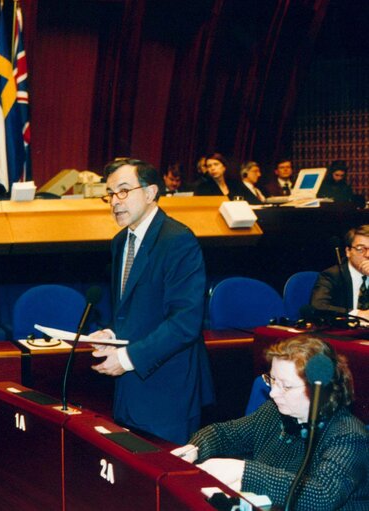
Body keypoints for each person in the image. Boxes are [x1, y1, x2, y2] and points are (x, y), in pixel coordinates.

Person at [90, 158, 214, 444]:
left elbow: (186, 322)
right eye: (109, 194)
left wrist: (126, 358)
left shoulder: (178, 240)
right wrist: (111, 334)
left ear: (150, 193)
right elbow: (131, 310)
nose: (114, 202)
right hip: (129, 388)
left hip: (168, 388)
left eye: (123, 191)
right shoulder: (121, 241)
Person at [173, 336, 368, 509]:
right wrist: (194, 448)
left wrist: (243, 471)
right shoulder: (274, 412)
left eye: (286, 386)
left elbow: (322, 496)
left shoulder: (348, 436)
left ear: (321, 389)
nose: (274, 393)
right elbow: (225, 434)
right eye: (273, 380)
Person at [310, 225, 369, 322]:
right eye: (360, 249)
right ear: (348, 252)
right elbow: (318, 306)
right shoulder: (333, 275)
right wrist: (358, 314)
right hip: (346, 332)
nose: (367, 255)